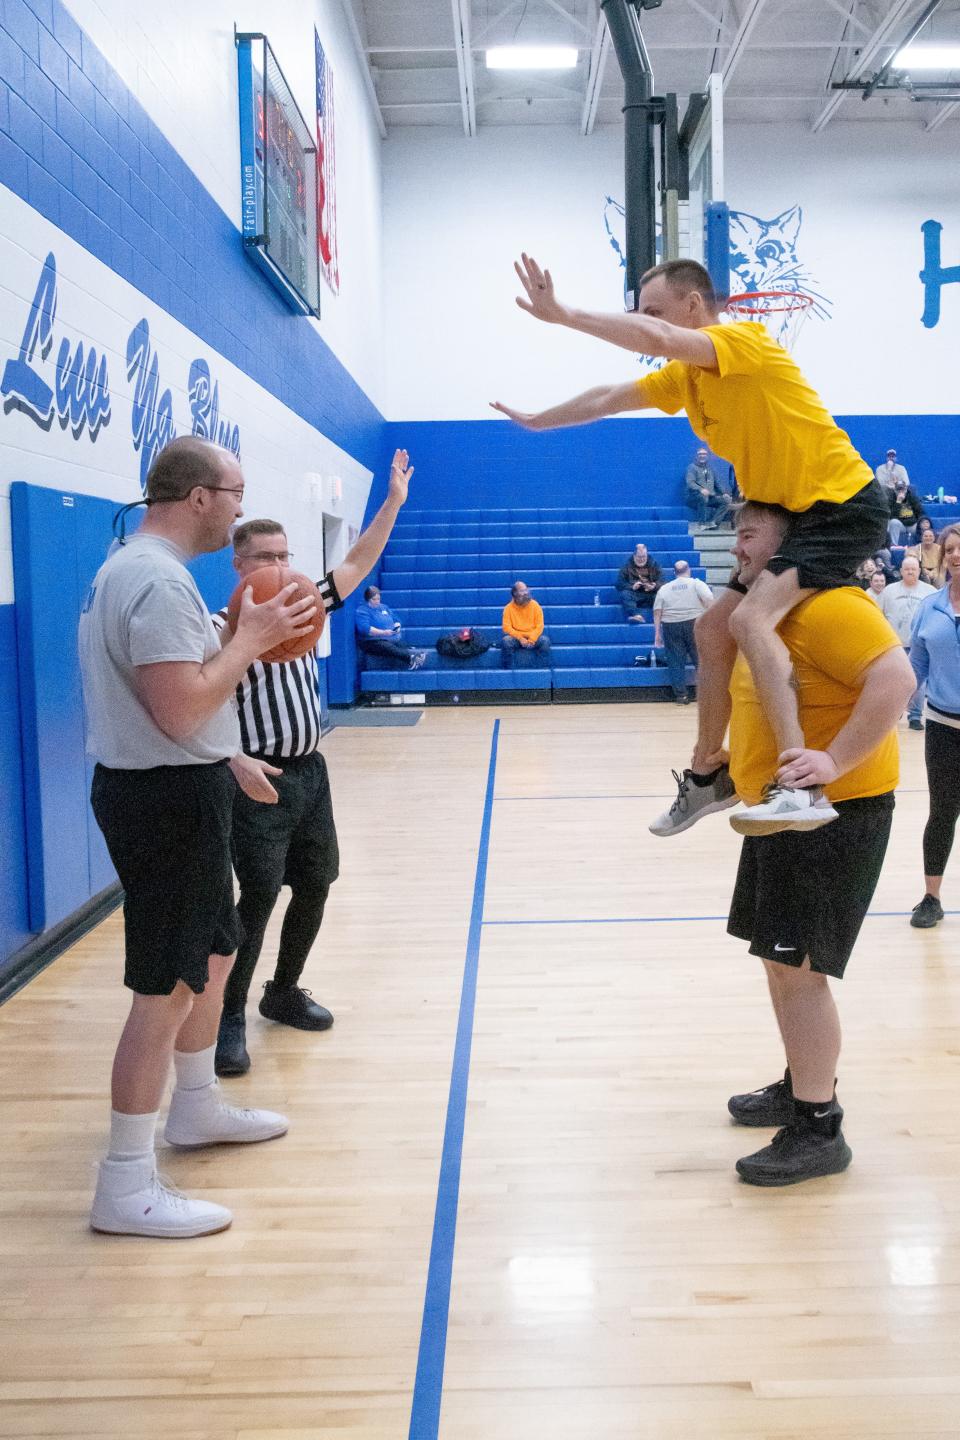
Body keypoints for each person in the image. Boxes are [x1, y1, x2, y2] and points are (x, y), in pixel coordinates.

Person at [491, 255, 889, 838]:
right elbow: (609, 396)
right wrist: (537, 421)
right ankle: (709, 774)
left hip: (841, 504)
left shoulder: (745, 342)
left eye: (654, 309)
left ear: (694, 306)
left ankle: (802, 788)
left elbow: (655, 337)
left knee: (753, 620)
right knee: (711, 629)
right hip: (784, 518)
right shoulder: (686, 378)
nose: (647, 324)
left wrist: (563, 314)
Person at [78, 436, 318, 1238]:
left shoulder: (142, 571)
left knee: (213, 956)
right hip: (160, 802)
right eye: (235, 492)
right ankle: (125, 1183)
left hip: (185, 784)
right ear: (198, 497)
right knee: (165, 989)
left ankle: (196, 1107)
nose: (241, 507)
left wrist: (230, 757)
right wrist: (251, 641)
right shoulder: (153, 580)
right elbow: (176, 709)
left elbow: (185, 712)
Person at [722, 502, 915, 1185]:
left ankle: (818, 1126)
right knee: (782, 966)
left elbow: (897, 683)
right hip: (786, 813)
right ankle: (801, 1079)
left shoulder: (833, 607)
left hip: (834, 814)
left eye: (749, 534)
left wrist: (832, 762)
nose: (737, 546)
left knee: (801, 973)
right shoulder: (773, 617)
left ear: (789, 544)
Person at [213, 451, 416, 1077]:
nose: (280, 567)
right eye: (265, 558)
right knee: (258, 895)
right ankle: (227, 1015)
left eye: (285, 556)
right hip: (257, 777)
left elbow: (356, 562)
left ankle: (283, 990)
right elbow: (197, 702)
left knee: (318, 881)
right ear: (239, 565)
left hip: (310, 772)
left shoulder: (307, 603)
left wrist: (393, 502)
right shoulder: (222, 625)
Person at [906, 524, 960, 930]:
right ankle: (931, 897)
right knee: (942, 812)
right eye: (951, 550)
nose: (956, 556)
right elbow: (916, 669)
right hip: (943, 725)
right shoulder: (929, 607)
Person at [879, 555, 935, 731]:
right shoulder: (889, 591)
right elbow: (879, 614)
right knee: (893, 682)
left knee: (918, 682)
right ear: (901, 571)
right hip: (894, 644)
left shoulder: (931, 591)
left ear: (919, 571)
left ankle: (916, 716)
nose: (910, 571)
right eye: (907, 569)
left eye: (914, 569)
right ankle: (894, 712)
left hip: (920, 645)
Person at [652, 560, 714, 705]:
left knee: (676, 662)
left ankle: (681, 696)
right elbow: (709, 599)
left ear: (674, 573)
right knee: (701, 660)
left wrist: (657, 634)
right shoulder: (696, 583)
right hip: (694, 623)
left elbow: (657, 612)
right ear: (689, 570)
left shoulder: (665, 588)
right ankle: (706, 695)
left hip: (671, 626)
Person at [355, 582, 426, 671]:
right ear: (367, 600)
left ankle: (416, 655)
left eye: (378, 599)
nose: (377, 601)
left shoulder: (384, 607)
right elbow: (365, 629)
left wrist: (397, 626)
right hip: (371, 641)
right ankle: (410, 658)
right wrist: (383, 632)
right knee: (387, 646)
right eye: (374, 599)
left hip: (389, 638)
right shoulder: (362, 611)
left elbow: (396, 619)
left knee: (399, 645)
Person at [501, 580, 551, 666]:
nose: (526, 593)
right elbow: (506, 628)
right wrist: (520, 638)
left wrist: (532, 639)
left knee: (545, 641)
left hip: (533, 638)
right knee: (506, 641)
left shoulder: (535, 605)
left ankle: (541, 670)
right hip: (517, 638)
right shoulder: (508, 608)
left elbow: (540, 626)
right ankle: (508, 671)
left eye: (526, 590)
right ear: (515, 594)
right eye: (522, 591)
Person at [685, 447, 732, 529]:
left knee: (725, 501)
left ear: (708, 456)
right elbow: (690, 482)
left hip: (709, 497)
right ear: (696, 456)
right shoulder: (691, 467)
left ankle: (713, 523)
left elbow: (717, 484)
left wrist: (724, 493)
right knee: (703, 498)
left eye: (704, 454)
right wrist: (701, 489)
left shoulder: (710, 469)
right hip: (694, 497)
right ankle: (701, 524)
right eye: (700, 454)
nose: (702, 456)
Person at [616, 542, 662, 622]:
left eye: (644, 557)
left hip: (651, 594)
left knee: (661, 595)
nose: (642, 559)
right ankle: (637, 616)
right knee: (625, 594)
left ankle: (662, 618)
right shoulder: (626, 566)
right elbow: (619, 584)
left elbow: (663, 581)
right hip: (635, 594)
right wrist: (632, 586)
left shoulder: (654, 564)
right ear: (634, 555)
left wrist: (654, 586)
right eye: (639, 557)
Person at [887, 476, 926, 547]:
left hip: (912, 524)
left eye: (903, 489)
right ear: (895, 490)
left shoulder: (912, 497)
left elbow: (921, 512)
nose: (901, 492)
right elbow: (891, 516)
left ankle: (922, 546)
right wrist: (898, 502)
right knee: (893, 522)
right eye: (898, 490)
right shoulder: (891, 498)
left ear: (906, 489)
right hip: (900, 524)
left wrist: (921, 522)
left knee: (923, 523)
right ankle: (893, 545)